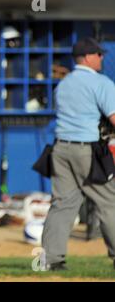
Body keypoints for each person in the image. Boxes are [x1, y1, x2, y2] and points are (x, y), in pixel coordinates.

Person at [41, 37, 115, 271]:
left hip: (61, 148)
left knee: (62, 204)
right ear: (87, 57)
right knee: (109, 202)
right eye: (98, 54)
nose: (102, 57)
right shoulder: (101, 83)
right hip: (87, 149)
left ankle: (52, 260)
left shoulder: (63, 84)